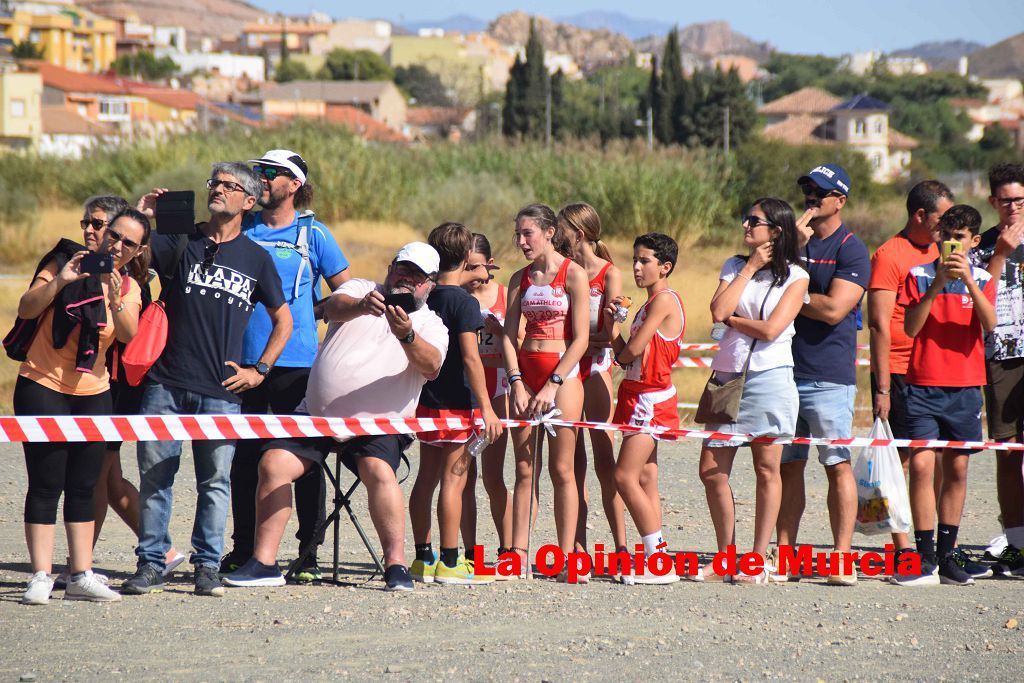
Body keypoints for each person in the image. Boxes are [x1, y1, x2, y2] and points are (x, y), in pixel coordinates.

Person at [223, 243, 448, 592]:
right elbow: (333, 307)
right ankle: (263, 562)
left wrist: (406, 334)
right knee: (273, 463)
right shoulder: (363, 289)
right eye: (401, 268)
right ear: (390, 268)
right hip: (318, 417)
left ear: (429, 284)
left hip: (380, 424)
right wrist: (362, 307)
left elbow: (431, 365)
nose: (406, 278)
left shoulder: (431, 324)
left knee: (378, 469)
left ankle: (397, 566)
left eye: (416, 275)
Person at [122, 164, 291, 598]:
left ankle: (207, 566)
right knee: (156, 476)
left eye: (229, 187)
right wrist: (141, 218)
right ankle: (151, 563)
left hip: (222, 390)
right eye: (214, 184)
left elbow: (283, 321)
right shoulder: (179, 240)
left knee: (215, 482)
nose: (218, 191)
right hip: (166, 382)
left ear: (248, 201)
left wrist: (260, 371)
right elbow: (127, 260)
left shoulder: (257, 258)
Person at [220, 149, 351, 582]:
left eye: (270, 173)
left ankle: (307, 554)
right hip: (241, 363)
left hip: (297, 363)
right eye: (256, 170)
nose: (260, 177)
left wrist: (310, 313)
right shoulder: (243, 227)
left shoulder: (314, 233)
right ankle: (243, 549)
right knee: (244, 459)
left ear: (293, 184)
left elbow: (346, 294)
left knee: (303, 461)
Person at [15, 208, 151, 604]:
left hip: (94, 391)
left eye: (129, 243)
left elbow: (128, 335)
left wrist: (114, 293)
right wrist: (61, 281)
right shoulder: (64, 260)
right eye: (115, 236)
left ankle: (81, 573)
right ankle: (41, 574)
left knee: (84, 484)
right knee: (45, 481)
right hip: (43, 383)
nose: (118, 245)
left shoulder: (127, 285)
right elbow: (26, 307)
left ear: (138, 249)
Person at [697, 200, 809, 585]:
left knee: (767, 468)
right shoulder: (733, 265)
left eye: (754, 221)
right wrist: (748, 269)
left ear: (776, 231)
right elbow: (717, 310)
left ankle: (757, 558)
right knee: (711, 470)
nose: (745, 224)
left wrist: (734, 320)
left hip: (770, 378)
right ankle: (725, 555)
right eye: (746, 217)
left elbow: (772, 330)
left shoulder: (797, 276)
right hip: (727, 375)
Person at [892, 205, 996, 586]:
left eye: (961, 239)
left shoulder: (983, 277)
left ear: (974, 242)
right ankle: (923, 555)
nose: (953, 246)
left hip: (966, 388)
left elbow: (990, 324)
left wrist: (968, 281)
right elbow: (911, 327)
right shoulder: (918, 276)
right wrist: (937, 285)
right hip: (922, 384)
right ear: (938, 237)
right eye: (947, 237)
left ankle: (948, 552)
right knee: (921, 466)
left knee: (957, 468)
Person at [777, 164, 870, 586]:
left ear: (840, 200)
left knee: (836, 463)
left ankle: (842, 557)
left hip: (828, 375)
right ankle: (784, 555)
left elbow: (835, 309)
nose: (811, 197)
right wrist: (793, 252)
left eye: (820, 191)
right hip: (782, 370)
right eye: (807, 189)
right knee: (787, 466)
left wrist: (794, 296)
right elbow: (767, 291)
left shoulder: (852, 249)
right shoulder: (790, 243)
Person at [867, 180, 955, 564]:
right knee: (902, 460)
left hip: (937, 369)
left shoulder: (945, 250)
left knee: (933, 458)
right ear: (919, 215)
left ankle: (933, 542)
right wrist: (882, 388)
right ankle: (904, 547)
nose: (946, 226)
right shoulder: (890, 254)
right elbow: (879, 325)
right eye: (941, 218)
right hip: (901, 369)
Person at [409, 223, 502, 584]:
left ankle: (422, 558)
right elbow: (471, 358)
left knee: (425, 479)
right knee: (454, 480)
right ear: (467, 257)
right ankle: (450, 561)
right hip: (456, 404)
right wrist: (487, 408)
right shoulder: (464, 303)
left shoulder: (425, 296)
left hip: (425, 401)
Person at [502, 204, 590, 579]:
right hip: (526, 372)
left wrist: (553, 384)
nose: (521, 241)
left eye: (528, 234)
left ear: (549, 232)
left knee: (561, 469)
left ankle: (565, 555)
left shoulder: (574, 274)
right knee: (524, 468)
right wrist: (517, 381)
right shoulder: (518, 278)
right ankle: (517, 554)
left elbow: (582, 338)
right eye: (518, 235)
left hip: (562, 376)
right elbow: (508, 335)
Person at [608, 232, 686, 585]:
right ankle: (654, 557)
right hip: (639, 393)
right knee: (645, 478)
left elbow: (630, 352)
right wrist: (613, 327)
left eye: (645, 261)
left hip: (650, 398)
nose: (637, 268)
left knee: (624, 476)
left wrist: (619, 339)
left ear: (664, 267)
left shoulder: (664, 301)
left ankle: (659, 561)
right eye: (635, 260)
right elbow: (624, 353)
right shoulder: (648, 303)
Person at [560, 202, 628, 560]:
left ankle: (620, 546)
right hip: (569, 367)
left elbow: (608, 333)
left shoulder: (608, 273)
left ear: (579, 234)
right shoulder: (564, 270)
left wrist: (578, 339)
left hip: (596, 367)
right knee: (573, 462)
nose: (556, 236)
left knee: (604, 459)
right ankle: (578, 546)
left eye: (561, 230)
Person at [974, 163, 1024, 578]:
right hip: (1002, 356)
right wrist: (1001, 254)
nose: (1013, 207)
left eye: (1020, 200)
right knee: (1008, 453)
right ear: (993, 202)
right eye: (1006, 200)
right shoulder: (982, 245)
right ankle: (1017, 542)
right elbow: (976, 298)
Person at [460, 234, 514, 566]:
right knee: (463, 476)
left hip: (498, 390)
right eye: (465, 266)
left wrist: (503, 330)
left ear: (490, 264)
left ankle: (507, 550)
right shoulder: (457, 296)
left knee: (494, 477)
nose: (470, 272)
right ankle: (469, 553)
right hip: (464, 391)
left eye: (475, 265)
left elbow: (521, 343)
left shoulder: (507, 295)